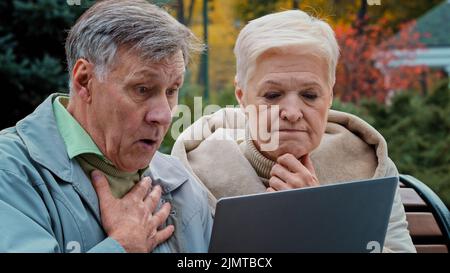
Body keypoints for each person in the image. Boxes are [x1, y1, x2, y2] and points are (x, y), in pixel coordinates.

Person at [171, 10, 416, 252]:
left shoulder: (367, 164)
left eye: (309, 95)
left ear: (329, 95)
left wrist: (320, 224)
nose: (291, 112)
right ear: (242, 96)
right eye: (273, 95)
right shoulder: (194, 174)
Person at [0, 0, 212, 253]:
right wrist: (122, 246)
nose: (164, 115)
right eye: (142, 89)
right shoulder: (11, 172)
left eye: (172, 90)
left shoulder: (182, 183)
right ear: (85, 80)